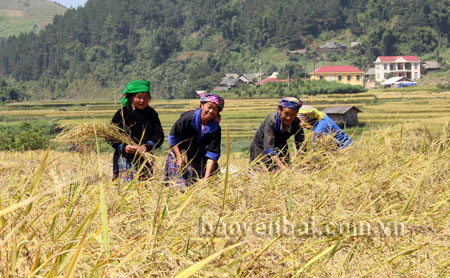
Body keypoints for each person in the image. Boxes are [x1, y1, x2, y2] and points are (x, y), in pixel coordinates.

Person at [163, 93, 224, 189]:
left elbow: (213, 153)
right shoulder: (187, 119)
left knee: (212, 186)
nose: (211, 111)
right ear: (201, 105)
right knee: (181, 187)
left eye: (215, 109)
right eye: (209, 107)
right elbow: (173, 138)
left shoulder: (215, 127)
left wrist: (206, 178)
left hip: (201, 156)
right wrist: (179, 158)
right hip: (181, 152)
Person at [109, 80, 164, 182]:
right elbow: (110, 136)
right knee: (124, 188)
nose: (142, 101)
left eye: (145, 97)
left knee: (143, 188)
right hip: (124, 157)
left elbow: (159, 135)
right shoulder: (123, 113)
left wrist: (146, 146)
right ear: (131, 98)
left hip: (143, 157)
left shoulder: (151, 114)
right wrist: (124, 147)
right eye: (139, 97)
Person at [249, 97, 305, 171]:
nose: (289, 118)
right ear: (280, 111)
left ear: (296, 114)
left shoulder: (297, 123)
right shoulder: (272, 120)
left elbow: (301, 145)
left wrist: (302, 161)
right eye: (286, 114)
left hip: (281, 143)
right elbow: (268, 147)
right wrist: (282, 166)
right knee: (265, 168)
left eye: (293, 114)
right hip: (262, 144)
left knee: (287, 164)